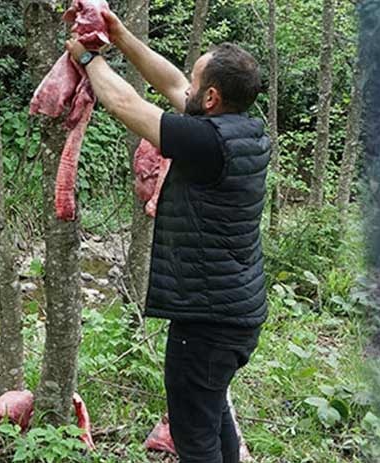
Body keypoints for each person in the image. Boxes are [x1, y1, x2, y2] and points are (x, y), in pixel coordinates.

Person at [65, 9, 270, 463]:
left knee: (195, 438)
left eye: (199, 85)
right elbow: (175, 84)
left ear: (212, 98)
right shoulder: (245, 131)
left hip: (208, 323)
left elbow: (126, 106)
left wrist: (87, 61)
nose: (188, 89)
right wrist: (120, 37)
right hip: (234, 313)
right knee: (212, 417)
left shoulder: (207, 143)